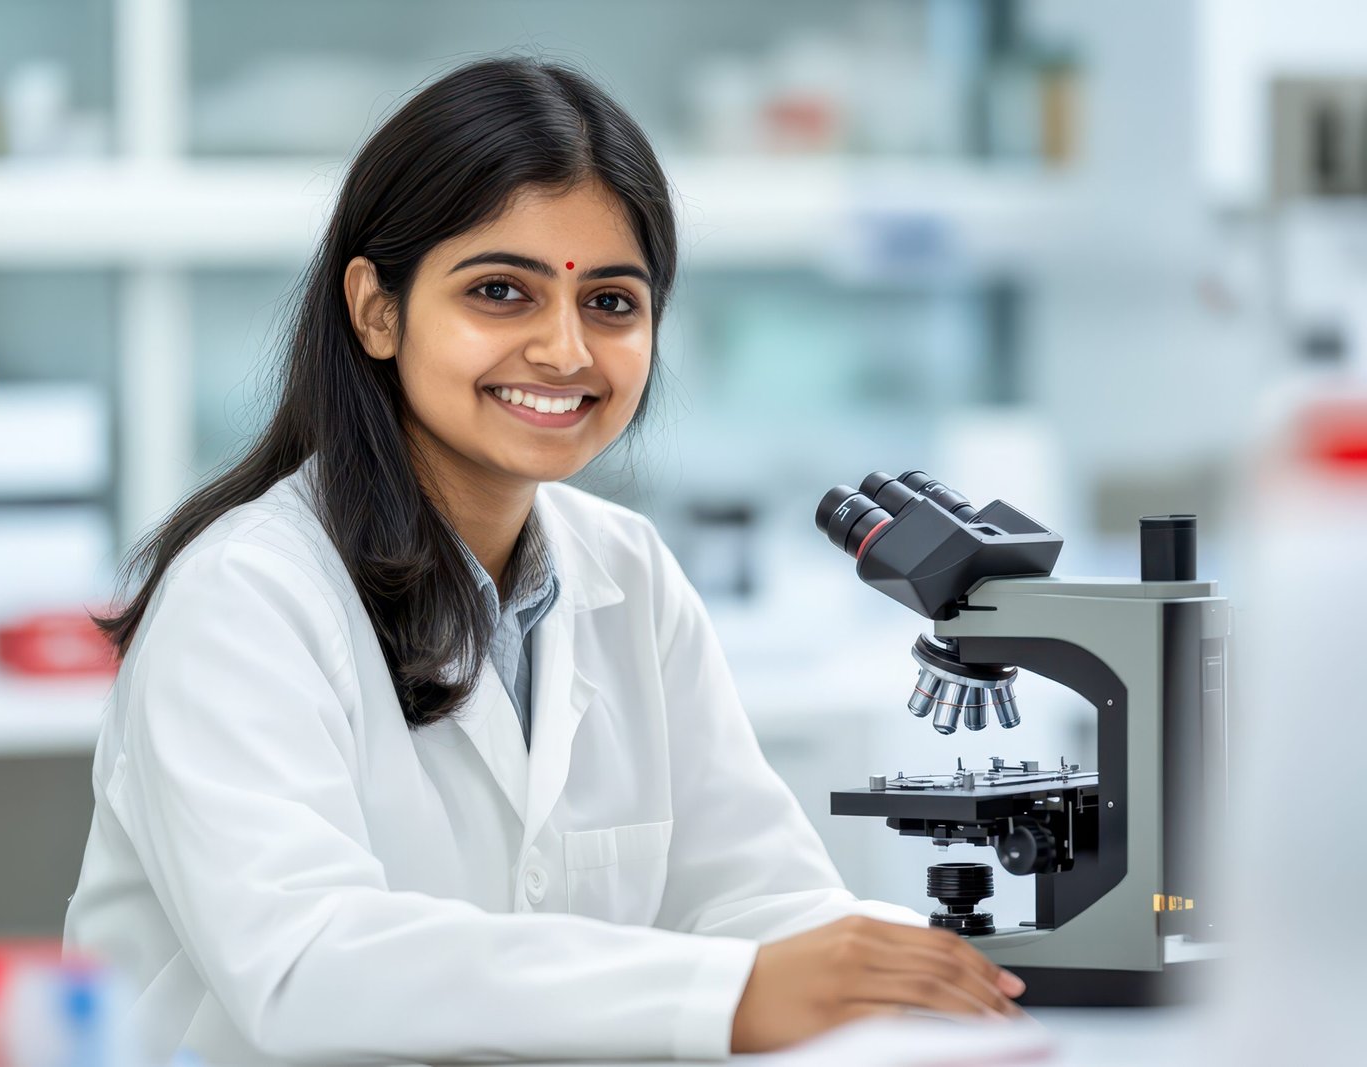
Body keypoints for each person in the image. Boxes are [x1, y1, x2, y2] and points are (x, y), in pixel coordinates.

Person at [63, 54, 1027, 1067]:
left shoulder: (628, 571)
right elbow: (306, 964)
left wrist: (911, 976)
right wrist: (726, 992)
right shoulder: (246, 596)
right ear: (375, 309)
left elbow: (753, 893)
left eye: (610, 303)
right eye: (500, 292)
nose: (566, 351)